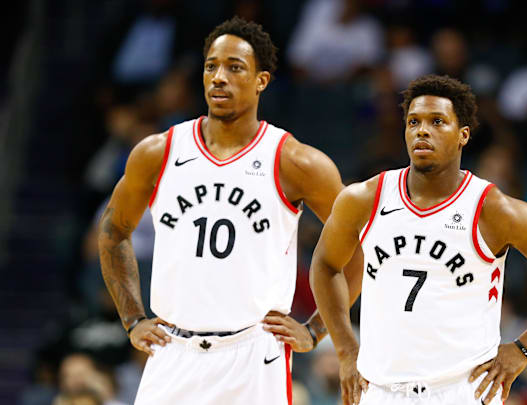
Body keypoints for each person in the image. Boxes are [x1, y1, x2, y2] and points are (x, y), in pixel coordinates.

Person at [98, 17, 360, 404]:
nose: (219, 77)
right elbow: (114, 231)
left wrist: (316, 329)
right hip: (173, 350)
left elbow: (358, 246)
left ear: (261, 81)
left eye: (235, 67)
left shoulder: (296, 162)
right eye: (211, 66)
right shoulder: (158, 153)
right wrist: (133, 318)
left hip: (254, 353)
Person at [310, 74, 527, 405]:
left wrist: (524, 347)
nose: (422, 130)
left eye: (437, 121)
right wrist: (346, 348)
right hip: (379, 390)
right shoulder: (363, 199)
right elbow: (325, 264)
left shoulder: (493, 210)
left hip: (462, 390)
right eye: (414, 122)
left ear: (463, 135)